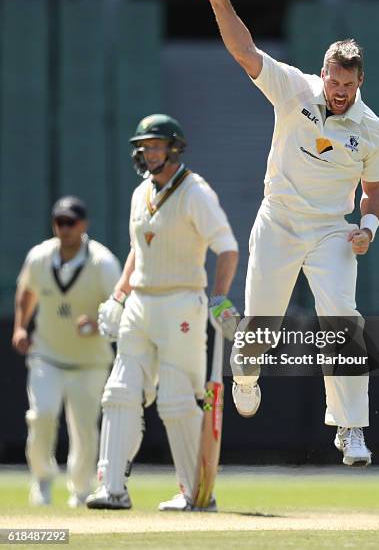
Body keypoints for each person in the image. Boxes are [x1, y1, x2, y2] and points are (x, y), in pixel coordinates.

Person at [196, 0, 379, 466]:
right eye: (334, 81)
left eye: (349, 83)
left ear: (359, 81)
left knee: (343, 319)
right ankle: (245, 377)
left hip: (332, 231)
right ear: (323, 74)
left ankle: (350, 428)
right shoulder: (295, 90)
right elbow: (245, 53)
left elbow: (375, 189)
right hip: (279, 219)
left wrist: (367, 228)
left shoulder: (370, 129)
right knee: (262, 324)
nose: (340, 91)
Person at [86, 114, 239, 511]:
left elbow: (227, 247)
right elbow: (139, 249)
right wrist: (118, 296)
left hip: (182, 304)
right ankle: (112, 488)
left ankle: (195, 493)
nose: (148, 153)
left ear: (174, 149)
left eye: (155, 146)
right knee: (118, 393)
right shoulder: (142, 193)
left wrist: (220, 298)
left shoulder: (195, 192)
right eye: (144, 147)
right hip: (140, 303)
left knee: (175, 399)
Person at [12, 196, 122, 506]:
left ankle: (81, 489)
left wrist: (98, 324)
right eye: (59, 222)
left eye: (70, 222)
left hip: (90, 362)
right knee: (42, 416)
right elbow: (26, 290)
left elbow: (119, 307)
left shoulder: (103, 262)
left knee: (85, 429)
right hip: (46, 355)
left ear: (83, 225)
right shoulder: (40, 256)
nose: (64, 228)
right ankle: (43, 479)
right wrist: (20, 327)